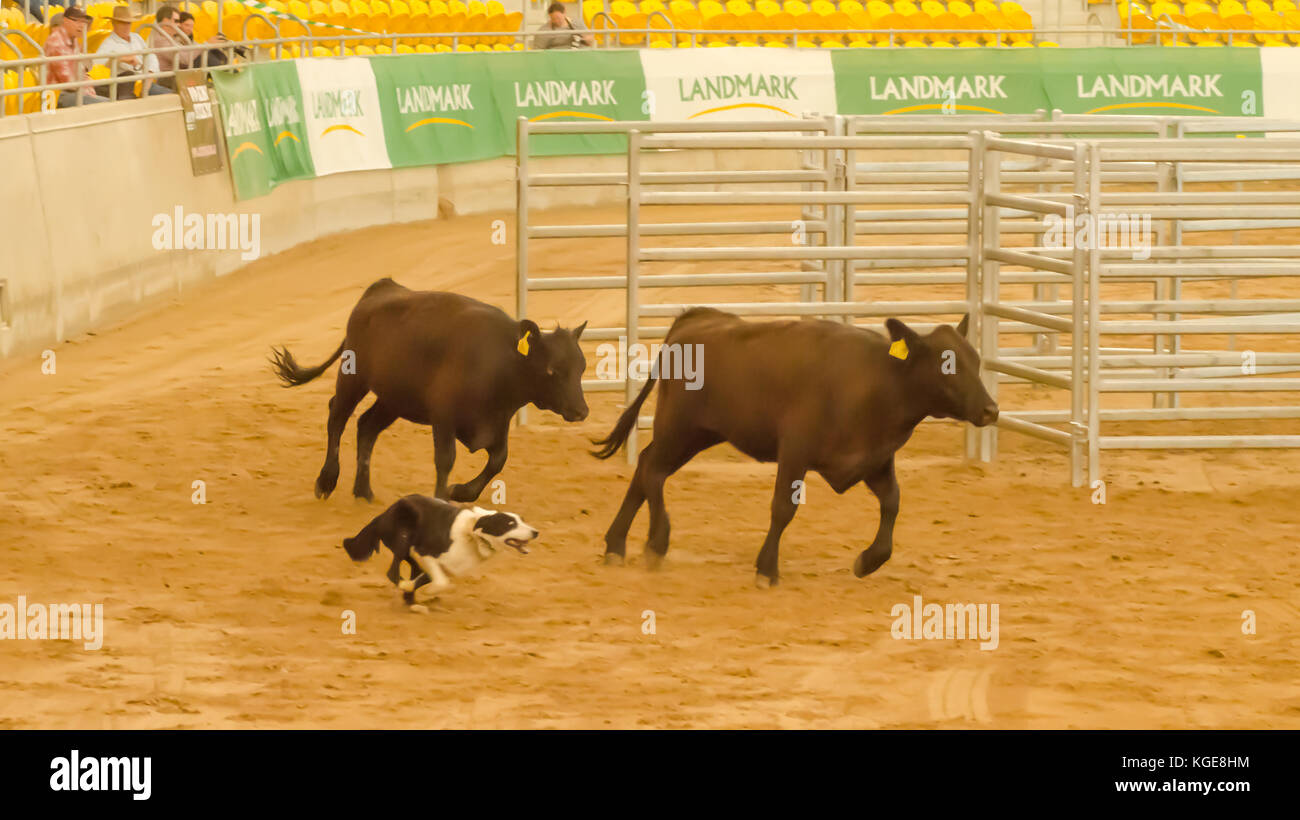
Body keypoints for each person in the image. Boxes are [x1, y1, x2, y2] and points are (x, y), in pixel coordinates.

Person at [94, 6, 171, 98]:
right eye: (122, 23)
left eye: (128, 23)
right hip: (126, 87)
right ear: (113, 23)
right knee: (169, 96)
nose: (126, 27)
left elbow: (151, 56)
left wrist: (148, 80)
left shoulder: (136, 37)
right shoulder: (108, 44)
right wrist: (117, 59)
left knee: (172, 95)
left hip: (145, 82)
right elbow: (98, 67)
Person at [43, 6, 109, 107]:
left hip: (76, 91)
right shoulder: (55, 43)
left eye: (82, 22)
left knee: (113, 92)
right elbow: (69, 82)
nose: (81, 26)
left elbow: (85, 68)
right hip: (60, 94)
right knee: (107, 104)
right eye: (77, 22)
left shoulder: (72, 43)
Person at [148, 4, 188, 89]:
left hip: (176, 75)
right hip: (167, 78)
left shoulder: (173, 37)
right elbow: (185, 59)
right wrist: (206, 45)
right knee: (202, 57)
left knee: (208, 54)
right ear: (166, 21)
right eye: (176, 21)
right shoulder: (159, 39)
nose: (179, 25)